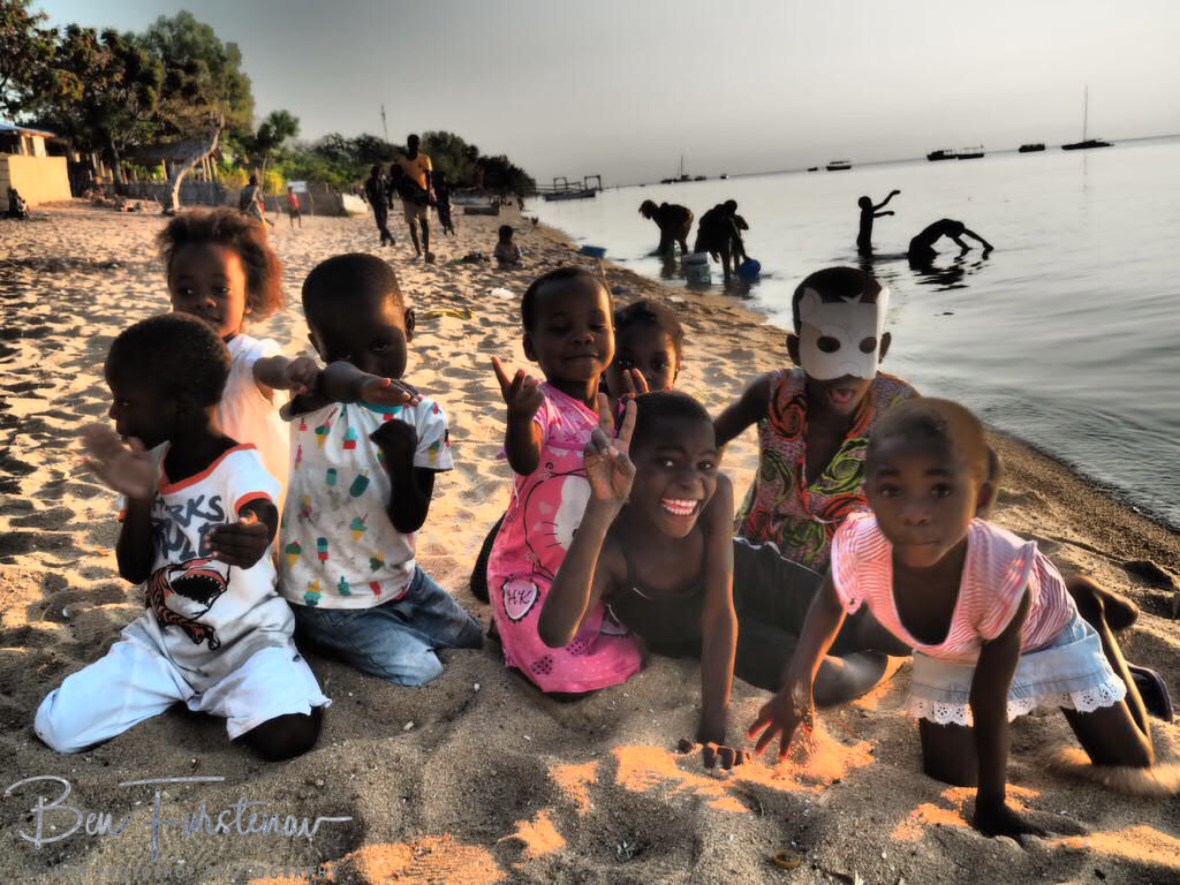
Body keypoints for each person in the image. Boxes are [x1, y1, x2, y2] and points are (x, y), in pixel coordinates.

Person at [749, 398, 1175, 838]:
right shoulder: (863, 540)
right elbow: (829, 602)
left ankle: (1087, 607)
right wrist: (798, 686)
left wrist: (992, 804)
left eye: (941, 490)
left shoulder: (1002, 575)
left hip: (1040, 629)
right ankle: (1079, 593)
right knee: (952, 776)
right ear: (870, 493)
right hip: (955, 645)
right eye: (894, 490)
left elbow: (988, 699)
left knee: (1130, 765)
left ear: (980, 499)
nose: (915, 513)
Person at [35, 315, 328, 759]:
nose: (115, 413)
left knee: (287, 735)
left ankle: (271, 679)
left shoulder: (237, 465)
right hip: (164, 647)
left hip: (246, 644)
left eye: (126, 402)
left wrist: (255, 533)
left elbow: (260, 509)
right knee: (55, 726)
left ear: (181, 406)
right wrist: (137, 495)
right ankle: (190, 694)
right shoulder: (148, 465)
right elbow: (134, 570)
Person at [277, 254, 482, 685]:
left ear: (408, 324)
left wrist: (401, 464)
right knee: (421, 669)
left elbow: (411, 518)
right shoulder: (313, 405)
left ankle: (386, 625)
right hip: (327, 597)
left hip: (401, 581)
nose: (368, 365)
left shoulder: (425, 416)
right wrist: (348, 382)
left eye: (382, 344)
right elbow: (335, 379)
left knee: (470, 640)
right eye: (345, 353)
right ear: (318, 347)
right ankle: (316, 634)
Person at [714, 266, 919, 695]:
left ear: (881, 347)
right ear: (796, 347)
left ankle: (864, 662)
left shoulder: (899, 408)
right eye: (828, 345)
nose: (845, 372)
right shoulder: (770, 393)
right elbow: (706, 444)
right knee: (744, 636)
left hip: (841, 585)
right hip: (758, 563)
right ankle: (847, 662)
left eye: (864, 347)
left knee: (851, 653)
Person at [539, 391, 743, 764]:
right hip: (713, 637)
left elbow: (720, 612)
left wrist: (713, 729)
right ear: (629, 461)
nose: (691, 481)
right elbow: (554, 632)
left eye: (705, 465)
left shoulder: (718, 496)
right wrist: (601, 507)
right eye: (668, 462)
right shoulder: (615, 547)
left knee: (862, 627)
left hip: (759, 582)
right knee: (830, 680)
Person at [486, 266, 643, 694]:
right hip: (529, 572)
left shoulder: (618, 410)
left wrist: (651, 411)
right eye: (560, 329)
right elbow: (525, 458)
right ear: (530, 346)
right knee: (561, 675)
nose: (582, 337)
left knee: (636, 649)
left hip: (584, 571)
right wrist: (518, 417)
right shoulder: (542, 404)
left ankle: (508, 630)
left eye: (596, 325)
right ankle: (506, 626)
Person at [470, 297, 684, 606]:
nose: (640, 373)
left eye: (658, 364)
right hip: (554, 527)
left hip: (603, 537)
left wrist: (649, 424)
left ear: (677, 369)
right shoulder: (595, 413)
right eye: (625, 362)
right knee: (484, 584)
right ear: (607, 361)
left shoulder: (681, 422)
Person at [158, 208, 303, 506]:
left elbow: (270, 368)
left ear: (248, 299)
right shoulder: (169, 361)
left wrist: (291, 372)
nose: (202, 300)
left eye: (220, 289)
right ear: (171, 295)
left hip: (255, 516)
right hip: (193, 513)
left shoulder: (249, 356)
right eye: (186, 290)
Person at [397, 134, 435, 263]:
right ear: (408, 144)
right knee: (412, 225)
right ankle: (418, 252)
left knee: (425, 223)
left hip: (422, 195)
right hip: (408, 197)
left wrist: (429, 191)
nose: (415, 146)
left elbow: (428, 175)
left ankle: (426, 251)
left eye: (417, 143)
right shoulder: (402, 161)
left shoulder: (424, 158)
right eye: (413, 143)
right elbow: (397, 178)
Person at [694, 201, 743, 280]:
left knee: (726, 254)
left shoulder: (728, 221)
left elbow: (737, 238)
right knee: (697, 257)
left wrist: (744, 256)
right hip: (705, 240)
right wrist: (711, 250)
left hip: (719, 241)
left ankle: (728, 281)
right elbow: (703, 235)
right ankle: (697, 277)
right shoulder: (708, 219)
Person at [908, 218, 993, 264]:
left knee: (931, 256)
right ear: (953, 229)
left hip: (921, 244)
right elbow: (956, 237)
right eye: (956, 234)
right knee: (929, 257)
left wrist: (984, 242)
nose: (956, 236)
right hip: (918, 244)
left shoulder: (951, 226)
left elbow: (969, 233)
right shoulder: (944, 224)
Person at [364, 165, 395, 247]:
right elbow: (368, 194)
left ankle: (389, 238)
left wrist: (389, 198)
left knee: (381, 224)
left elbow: (389, 188)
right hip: (378, 204)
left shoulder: (382, 181)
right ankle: (385, 240)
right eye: (376, 172)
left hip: (383, 203)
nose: (378, 174)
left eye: (378, 172)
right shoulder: (370, 182)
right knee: (381, 224)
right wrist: (372, 202)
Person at [434, 169, 456, 236]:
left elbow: (452, 192)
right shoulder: (437, 185)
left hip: (446, 204)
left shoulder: (447, 185)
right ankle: (447, 229)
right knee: (442, 219)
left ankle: (451, 231)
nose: (443, 179)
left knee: (447, 218)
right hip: (440, 204)